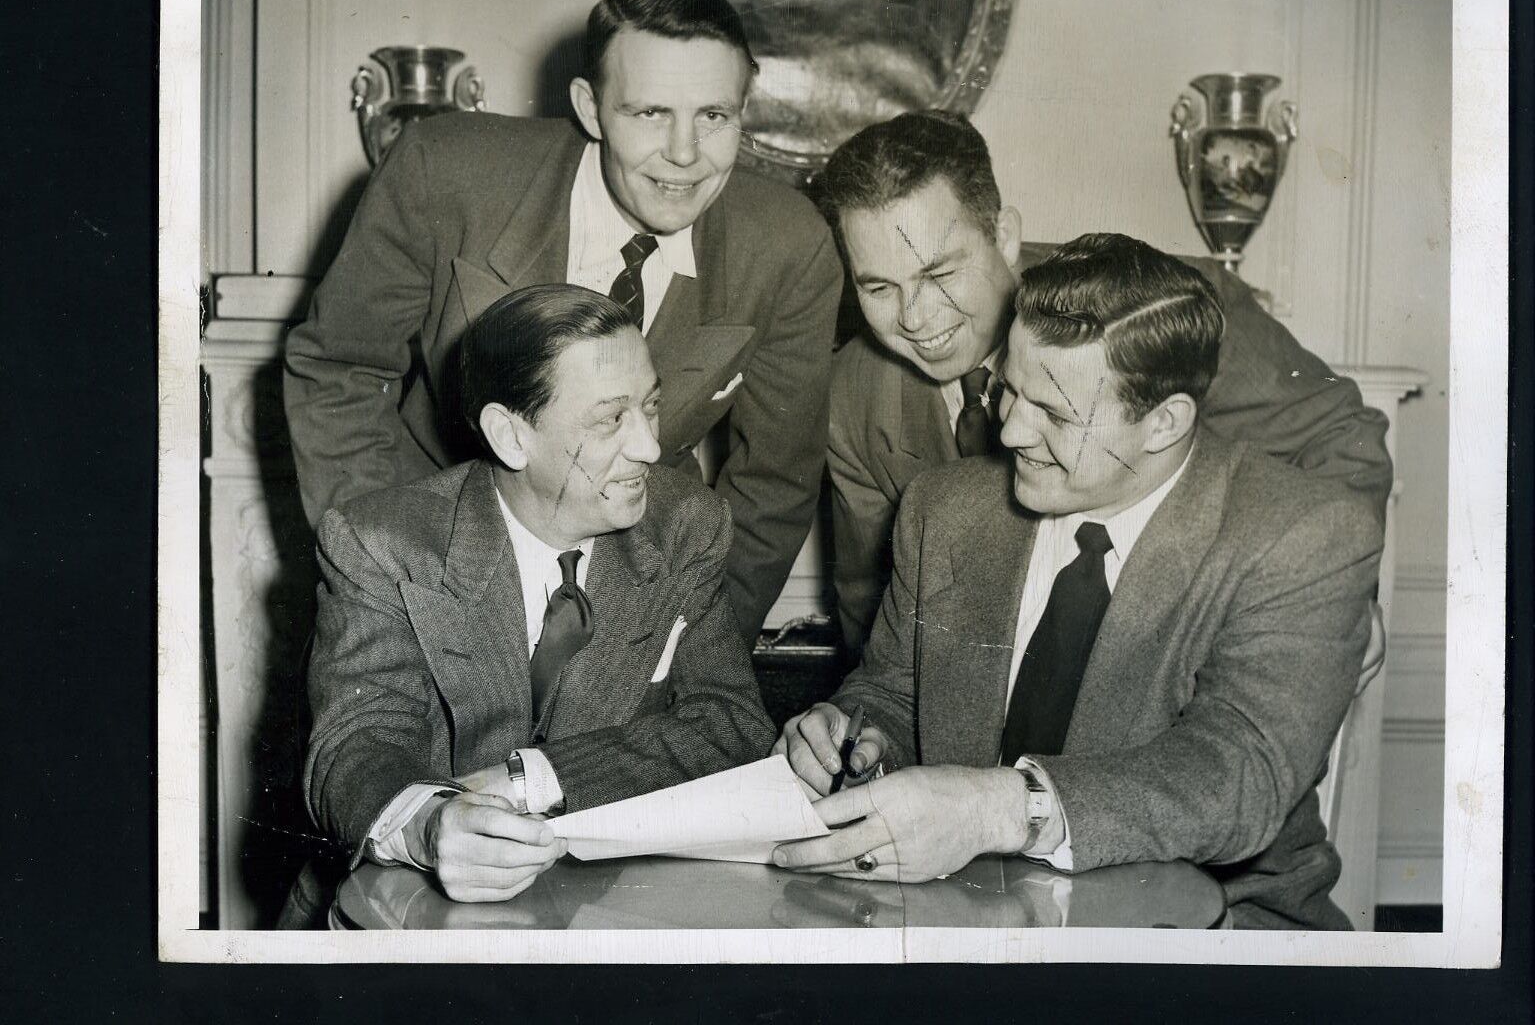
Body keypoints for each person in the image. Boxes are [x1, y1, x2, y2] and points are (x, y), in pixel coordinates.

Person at [773, 236, 1384, 930]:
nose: (1008, 433)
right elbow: (892, 692)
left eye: (1055, 414)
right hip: (964, 917)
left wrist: (1000, 810)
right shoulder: (943, 508)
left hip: (1213, 937)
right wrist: (851, 738)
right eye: (1008, 390)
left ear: (1163, 422)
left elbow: (1236, 776)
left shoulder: (1300, 533)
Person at [284, 0, 841, 639]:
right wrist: (381, 575)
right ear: (589, 106)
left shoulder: (787, 245)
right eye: (649, 112)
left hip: (632, 583)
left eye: (713, 116)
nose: (685, 156)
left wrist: (686, 643)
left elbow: (774, 481)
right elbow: (338, 368)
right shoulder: (443, 171)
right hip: (430, 548)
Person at [818, 110, 1392, 654]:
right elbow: (871, 617)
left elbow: (1343, 435)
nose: (915, 318)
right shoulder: (852, 396)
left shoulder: (1163, 308)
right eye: (878, 289)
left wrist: (1334, 601)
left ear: (1005, 235)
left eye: (939, 273)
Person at [305, 285, 776, 903]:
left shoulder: (683, 525)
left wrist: (538, 779)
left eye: (651, 406)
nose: (651, 447)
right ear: (510, 436)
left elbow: (733, 723)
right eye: (611, 419)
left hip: (611, 909)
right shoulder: (383, 542)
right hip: (403, 910)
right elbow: (355, 744)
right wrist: (430, 825)